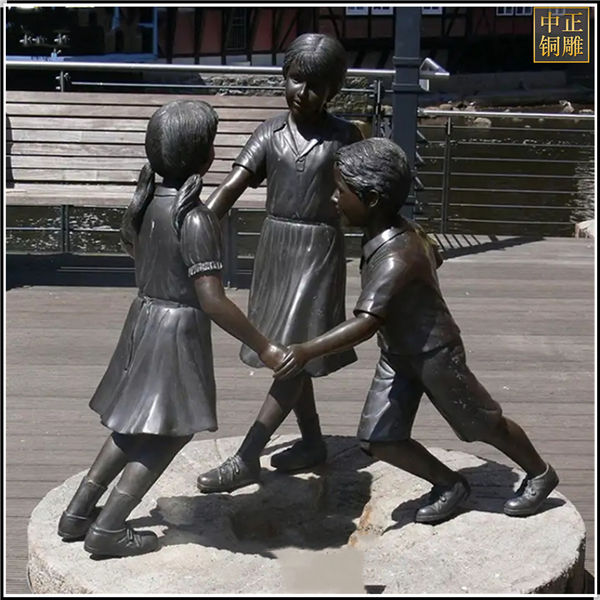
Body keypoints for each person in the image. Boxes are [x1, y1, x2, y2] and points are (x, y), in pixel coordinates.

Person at [273, 137, 559, 524]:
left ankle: (540, 472)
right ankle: (449, 483)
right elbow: (435, 258)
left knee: (480, 422)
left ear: (371, 199)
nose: (333, 198)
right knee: (378, 438)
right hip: (398, 352)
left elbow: (366, 323)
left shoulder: (396, 257)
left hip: (435, 353)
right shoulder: (399, 232)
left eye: (340, 190)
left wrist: (306, 350)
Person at [57, 100, 287, 558]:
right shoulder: (194, 218)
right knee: (171, 431)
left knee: (133, 424)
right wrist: (264, 346)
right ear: (205, 156)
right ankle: (109, 527)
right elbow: (212, 299)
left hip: (144, 320)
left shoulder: (145, 204)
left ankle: (78, 512)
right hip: (177, 333)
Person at [197, 33, 363, 494]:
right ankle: (312, 441)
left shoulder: (345, 137)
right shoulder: (270, 133)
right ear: (283, 77)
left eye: (315, 86)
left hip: (319, 251)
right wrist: (194, 228)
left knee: (291, 355)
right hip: (276, 251)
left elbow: (371, 194)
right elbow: (230, 188)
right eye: (295, 80)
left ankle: (248, 456)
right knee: (291, 349)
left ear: (333, 90)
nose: (302, 93)